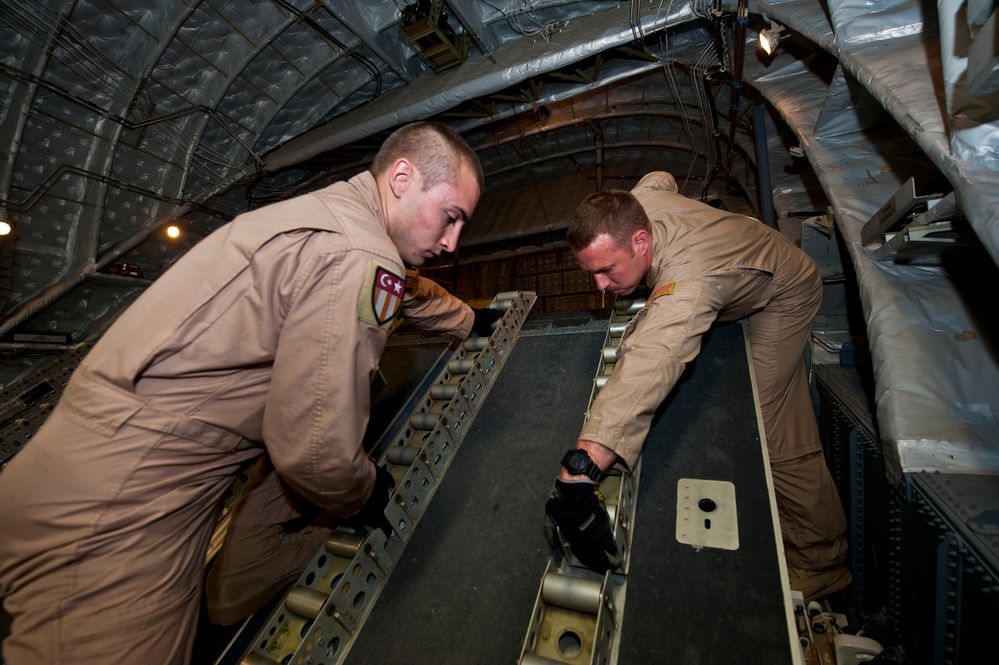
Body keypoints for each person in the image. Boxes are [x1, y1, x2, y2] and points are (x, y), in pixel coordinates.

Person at [0, 121, 491, 664]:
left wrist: (470, 320)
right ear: (402, 178)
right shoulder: (359, 253)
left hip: (69, 468)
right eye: (451, 217)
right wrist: (367, 489)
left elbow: (410, 294)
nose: (452, 243)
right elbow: (315, 451)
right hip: (124, 509)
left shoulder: (325, 219)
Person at [543, 171, 849, 603]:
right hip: (734, 267)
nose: (601, 286)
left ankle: (822, 561)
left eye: (608, 270)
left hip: (783, 292)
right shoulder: (635, 203)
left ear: (641, 242)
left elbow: (655, 359)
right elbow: (660, 179)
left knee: (769, 424)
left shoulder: (689, 283)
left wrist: (581, 472)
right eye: (591, 272)